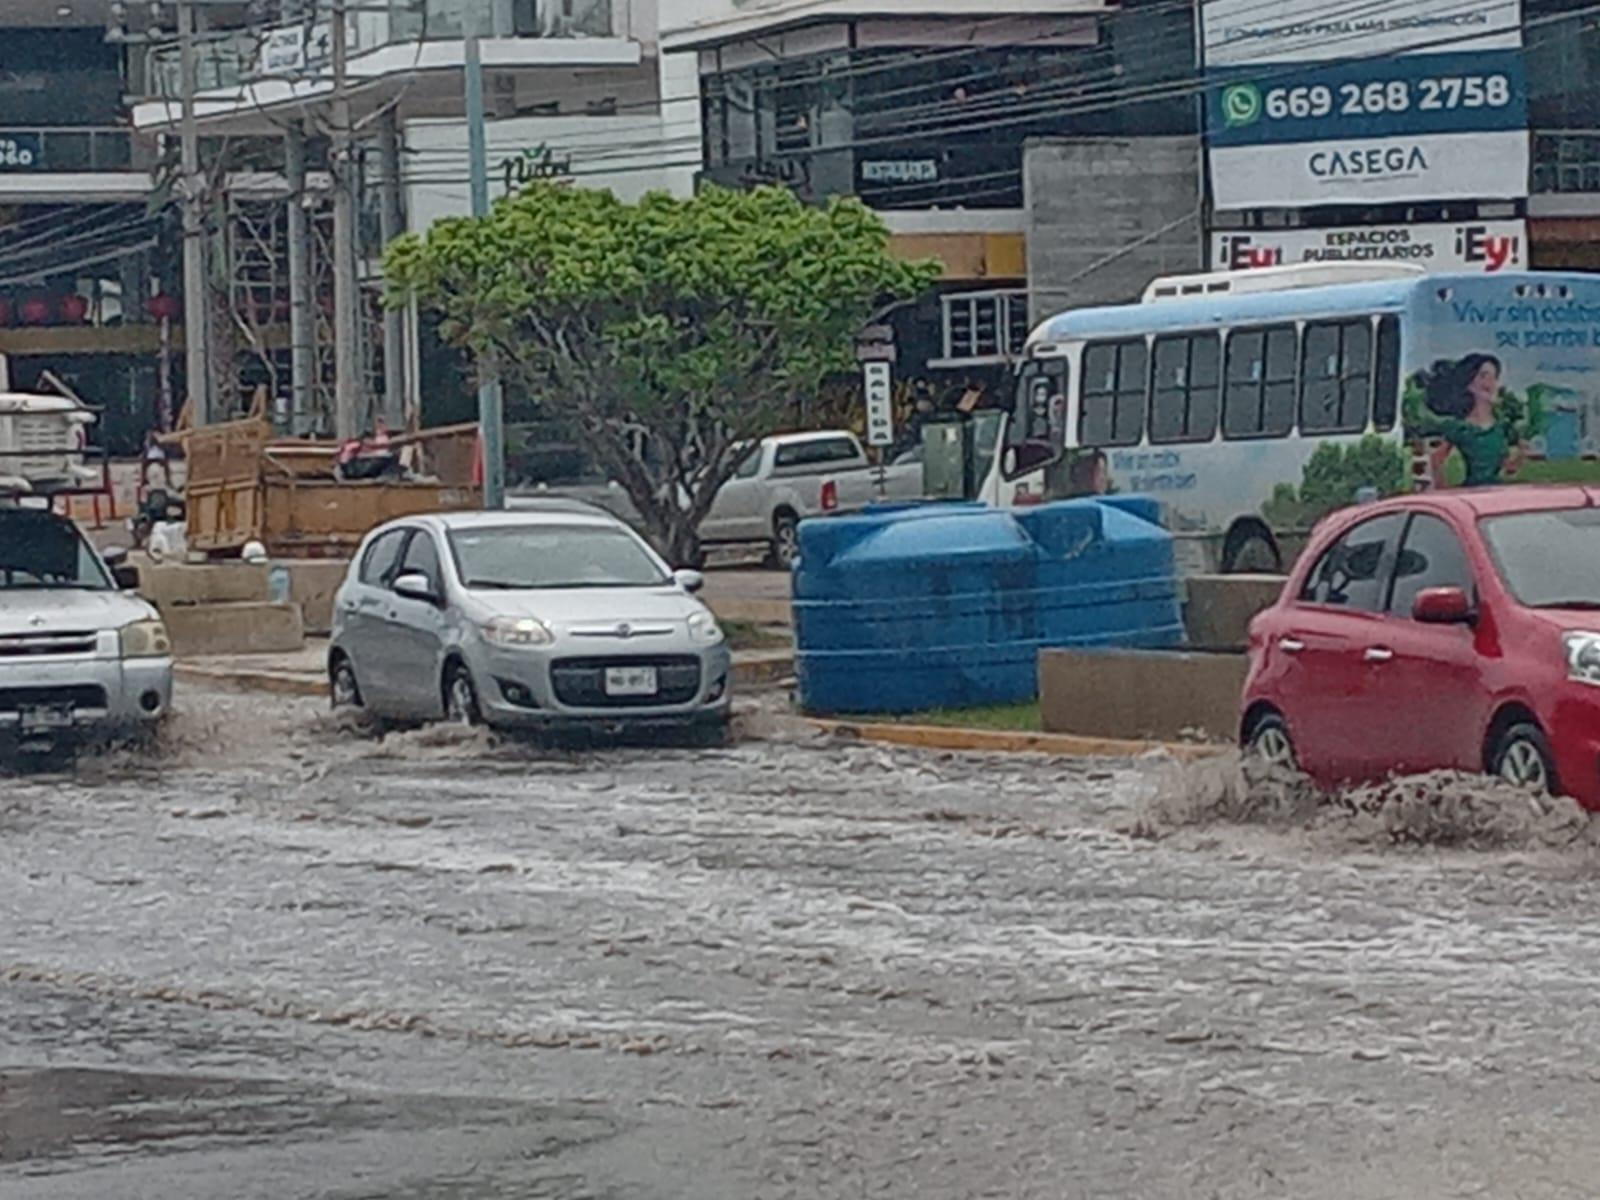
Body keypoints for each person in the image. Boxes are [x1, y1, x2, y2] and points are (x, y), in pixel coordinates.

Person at [1415, 353, 1525, 488]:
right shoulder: (1460, 428)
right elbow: (1437, 460)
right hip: (1470, 494)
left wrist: (1514, 464)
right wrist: (1444, 491)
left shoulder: (1503, 427)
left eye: (1494, 377)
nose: (1490, 383)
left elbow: (1520, 454)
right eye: (1484, 376)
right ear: (1470, 384)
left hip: (1498, 494)